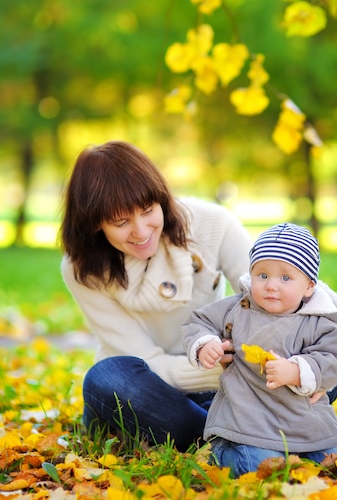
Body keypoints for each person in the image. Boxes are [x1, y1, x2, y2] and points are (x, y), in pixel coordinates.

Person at [59, 140, 253, 452]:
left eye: (148, 211)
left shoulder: (213, 224)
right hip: (146, 390)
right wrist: (226, 373)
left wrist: (261, 366)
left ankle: (218, 430)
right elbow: (143, 361)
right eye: (121, 222)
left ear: (161, 199)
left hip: (218, 372)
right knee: (106, 377)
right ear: (95, 222)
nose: (140, 230)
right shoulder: (82, 268)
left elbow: (270, 298)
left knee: (308, 365)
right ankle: (234, 431)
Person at [182, 223, 337, 476]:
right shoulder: (237, 308)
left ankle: (299, 453)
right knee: (258, 467)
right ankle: (221, 449)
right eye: (262, 275)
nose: (271, 285)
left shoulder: (318, 321)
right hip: (249, 417)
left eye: (285, 278)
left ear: (308, 286)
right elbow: (198, 322)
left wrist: (296, 371)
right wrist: (205, 343)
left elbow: (334, 358)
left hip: (301, 417)